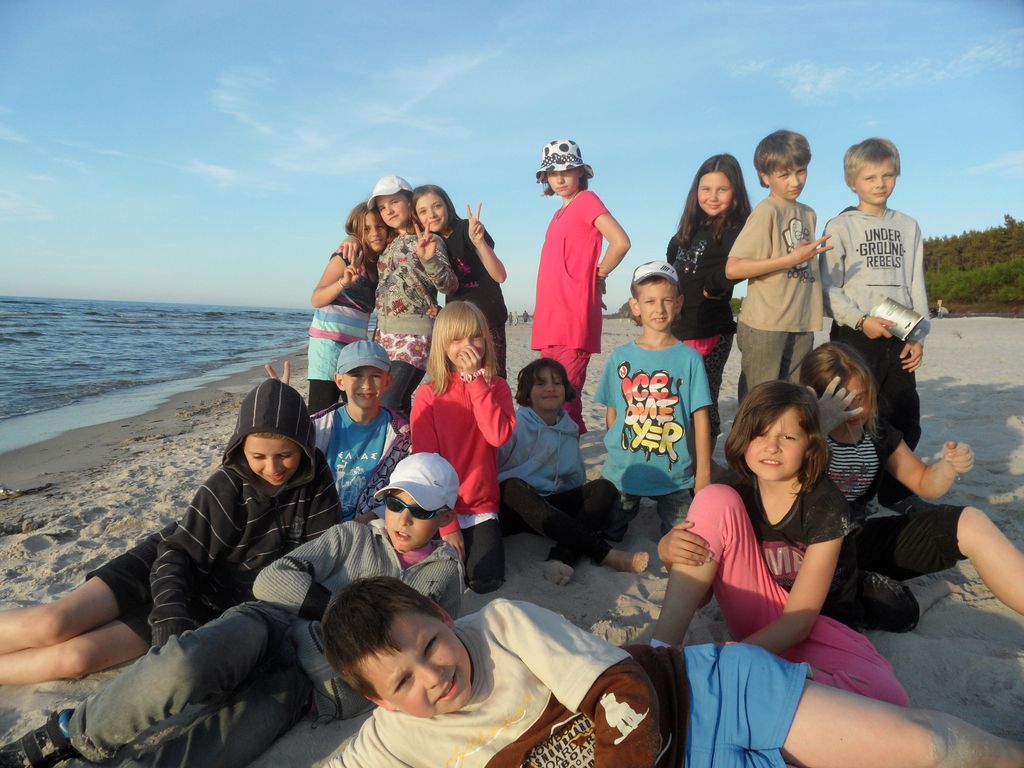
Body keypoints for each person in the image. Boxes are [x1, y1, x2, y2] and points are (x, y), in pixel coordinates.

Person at [0, 454, 464, 768]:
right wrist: (342, 615)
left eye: (421, 510)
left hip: (311, 685)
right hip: (268, 624)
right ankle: (68, 732)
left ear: (445, 518)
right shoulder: (351, 536)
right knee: (182, 664)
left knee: (213, 750)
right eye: (395, 502)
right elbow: (272, 579)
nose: (403, 519)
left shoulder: (440, 577)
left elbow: (408, 654)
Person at [321, 577, 1023, 768]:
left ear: (440, 615)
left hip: (705, 695)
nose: (432, 676)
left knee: (924, 749)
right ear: (382, 703)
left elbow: (622, 694)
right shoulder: (392, 740)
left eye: (429, 646)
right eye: (402, 682)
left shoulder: (503, 625)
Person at [0, 379, 340, 686]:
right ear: (241, 448)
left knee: (75, 659)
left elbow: (323, 552)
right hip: (163, 564)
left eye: (285, 455)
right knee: (52, 624)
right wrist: (169, 619)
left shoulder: (316, 479)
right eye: (258, 456)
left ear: (304, 447)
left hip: (210, 604)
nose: (272, 467)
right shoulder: (225, 488)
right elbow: (178, 555)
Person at [651, 380, 907, 706]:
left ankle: (778, 674)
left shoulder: (826, 504)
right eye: (760, 434)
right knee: (713, 496)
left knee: (889, 695)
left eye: (787, 437)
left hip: (815, 626)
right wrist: (667, 553)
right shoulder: (736, 493)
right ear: (743, 439)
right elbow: (700, 598)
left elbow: (799, 621)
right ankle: (658, 656)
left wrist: (729, 661)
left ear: (810, 444)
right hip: (756, 612)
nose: (771, 447)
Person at [800, 341, 1024, 631]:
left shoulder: (876, 433)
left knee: (972, 522)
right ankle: (931, 592)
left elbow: (923, 481)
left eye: (863, 397)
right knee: (890, 606)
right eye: (844, 400)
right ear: (815, 398)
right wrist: (818, 428)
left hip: (856, 541)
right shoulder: (795, 434)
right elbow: (783, 486)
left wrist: (948, 466)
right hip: (803, 551)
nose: (856, 409)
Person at [819, 138, 929, 506]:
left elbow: (915, 284)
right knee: (854, 414)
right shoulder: (840, 225)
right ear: (852, 182)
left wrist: (919, 336)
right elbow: (829, 287)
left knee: (903, 414)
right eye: (870, 177)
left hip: (899, 334)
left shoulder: (908, 226)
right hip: (854, 337)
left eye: (887, 175)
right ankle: (851, 491)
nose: (880, 184)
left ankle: (895, 493)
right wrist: (860, 319)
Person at [498, 358, 649, 585]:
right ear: (527, 393)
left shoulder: (569, 428)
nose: (550, 388)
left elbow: (574, 479)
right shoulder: (515, 424)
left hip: (551, 508)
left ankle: (560, 558)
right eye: (540, 383)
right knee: (511, 486)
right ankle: (605, 553)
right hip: (516, 508)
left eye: (557, 383)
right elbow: (494, 463)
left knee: (603, 488)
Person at [595, 261, 712, 541]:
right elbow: (612, 412)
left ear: (679, 303)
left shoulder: (690, 358)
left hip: (675, 475)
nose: (659, 309)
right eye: (649, 301)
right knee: (608, 531)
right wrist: (617, 454)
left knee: (685, 537)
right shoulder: (620, 357)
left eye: (667, 300)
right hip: (625, 472)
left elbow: (700, 419)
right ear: (635, 306)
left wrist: (703, 473)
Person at [410, 301, 515, 594]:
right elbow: (426, 463)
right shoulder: (429, 394)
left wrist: (476, 382)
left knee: (484, 581)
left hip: (481, 506)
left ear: (486, 340)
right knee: (440, 576)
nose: (467, 346)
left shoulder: (497, 388)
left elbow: (497, 435)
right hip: (440, 507)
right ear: (443, 345)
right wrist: (448, 525)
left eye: (475, 337)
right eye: (456, 339)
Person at [725, 129, 832, 402]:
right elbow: (733, 268)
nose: (795, 181)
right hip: (766, 323)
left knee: (793, 401)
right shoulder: (767, 211)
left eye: (801, 171)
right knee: (760, 401)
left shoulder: (808, 213)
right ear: (765, 176)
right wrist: (790, 260)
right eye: (784, 175)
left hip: (802, 321)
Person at [532, 139, 630, 434]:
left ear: (580, 173)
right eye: (553, 173)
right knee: (548, 394)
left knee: (565, 396)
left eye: (566, 171)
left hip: (572, 315)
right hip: (550, 316)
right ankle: (562, 451)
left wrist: (598, 276)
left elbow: (621, 242)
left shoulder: (587, 200)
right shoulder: (557, 215)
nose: (559, 178)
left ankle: (570, 455)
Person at [666, 153, 752, 445]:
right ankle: (681, 461)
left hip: (710, 331)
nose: (712, 197)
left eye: (722, 189)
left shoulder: (736, 229)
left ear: (735, 192)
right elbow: (672, 259)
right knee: (674, 400)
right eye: (706, 189)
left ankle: (702, 465)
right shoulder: (689, 228)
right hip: (677, 328)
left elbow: (745, 262)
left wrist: (715, 285)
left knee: (703, 400)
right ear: (696, 191)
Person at [367, 175, 458, 419]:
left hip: (415, 334)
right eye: (382, 207)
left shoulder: (429, 240)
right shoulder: (387, 243)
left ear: (410, 202)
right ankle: (406, 442)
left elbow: (450, 285)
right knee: (391, 403)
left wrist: (429, 259)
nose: (388, 211)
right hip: (383, 335)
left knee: (390, 402)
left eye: (394, 202)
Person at [412, 184, 510, 378]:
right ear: (417, 218)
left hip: (489, 319)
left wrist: (479, 242)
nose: (431, 214)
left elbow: (500, 275)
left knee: (493, 378)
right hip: (458, 325)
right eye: (423, 211)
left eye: (437, 206)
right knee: (461, 379)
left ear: (447, 206)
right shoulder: (428, 244)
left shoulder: (468, 228)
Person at [311, 340, 411, 522]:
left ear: (388, 381)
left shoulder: (401, 435)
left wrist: (366, 520)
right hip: (319, 522)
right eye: (356, 375)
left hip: (372, 524)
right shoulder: (317, 427)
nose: (367, 385)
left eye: (376, 376)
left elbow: (401, 490)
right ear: (340, 381)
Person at [306, 202, 390, 414]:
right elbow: (316, 298)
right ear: (357, 232)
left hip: (355, 347)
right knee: (321, 410)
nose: (374, 233)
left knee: (356, 409)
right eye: (366, 229)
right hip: (328, 342)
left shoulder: (380, 262)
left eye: (380, 227)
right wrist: (343, 283)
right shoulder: (348, 254)